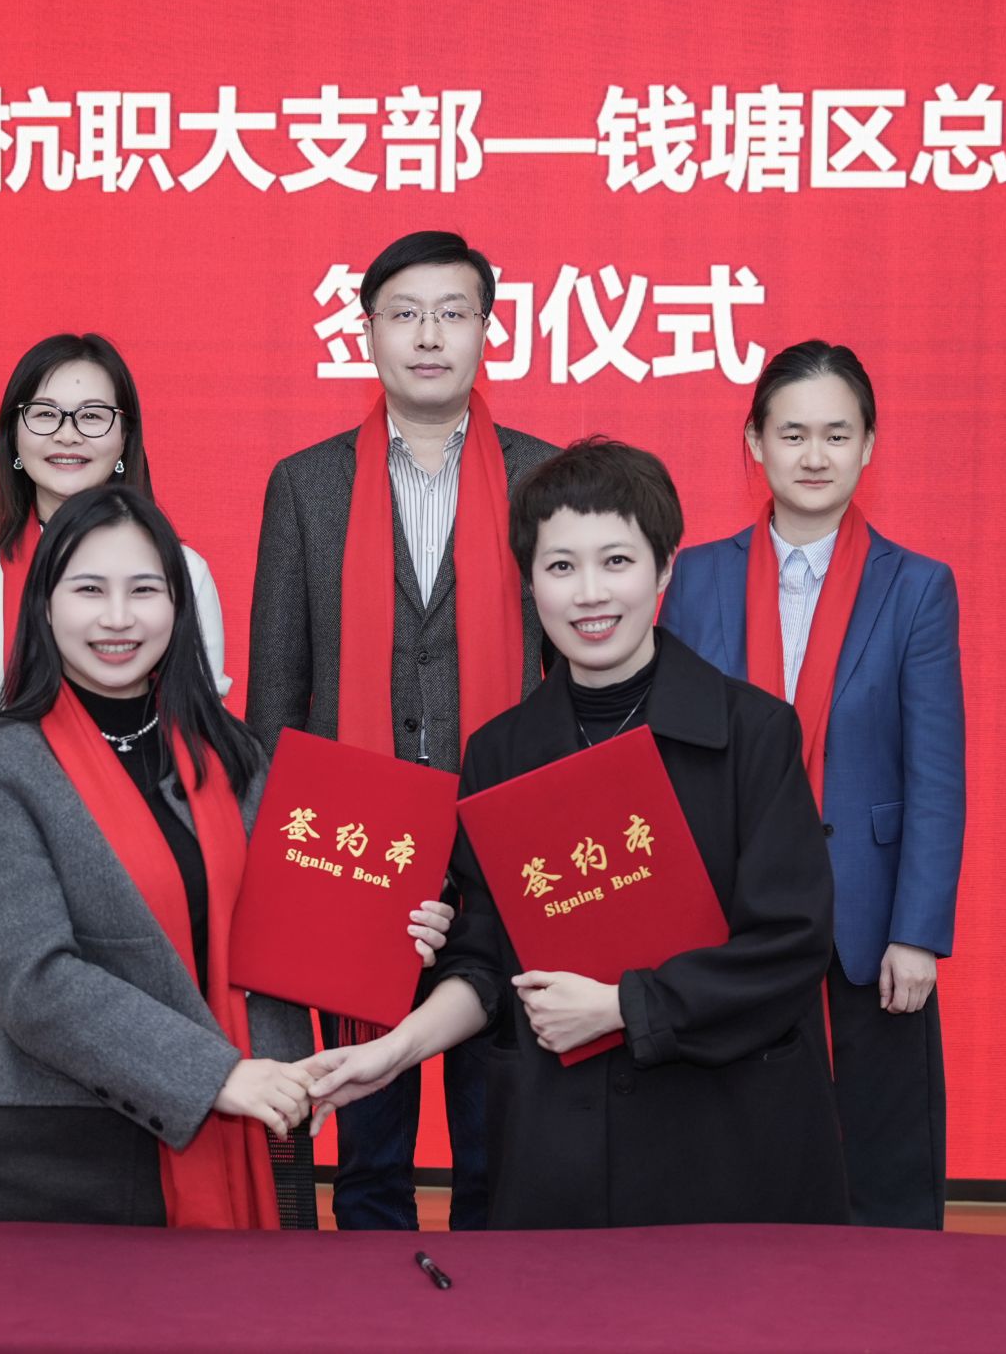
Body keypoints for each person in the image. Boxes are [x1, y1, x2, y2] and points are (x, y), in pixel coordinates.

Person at [306, 440, 851, 1229]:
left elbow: (790, 946)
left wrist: (625, 1005)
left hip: (729, 1148)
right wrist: (397, 1049)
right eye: (561, 566)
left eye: (617, 561)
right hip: (561, 1155)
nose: (590, 593)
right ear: (529, 583)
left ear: (664, 569)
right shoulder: (500, 752)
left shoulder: (754, 733)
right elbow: (484, 960)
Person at [0, 484, 450, 1228]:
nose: (118, 617)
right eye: (88, 589)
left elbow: (287, 930)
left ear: (179, 605)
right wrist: (216, 1075)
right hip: (67, 1147)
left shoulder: (234, 756)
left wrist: (393, 932)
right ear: (44, 604)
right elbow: (32, 983)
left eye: (145, 590)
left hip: (257, 1126)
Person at [246, 231, 556, 1230]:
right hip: (353, 853)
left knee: (499, 1133)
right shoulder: (306, 485)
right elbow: (276, 690)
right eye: (405, 314)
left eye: (452, 314)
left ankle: (490, 1302)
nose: (429, 336)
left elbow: (567, 679)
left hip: (502, 848)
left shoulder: (543, 479)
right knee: (365, 1135)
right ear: (368, 331)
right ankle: (366, 1300)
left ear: (487, 331)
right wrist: (275, 867)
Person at [658, 340, 964, 1229]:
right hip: (728, 907)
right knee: (732, 1152)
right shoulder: (695, 576)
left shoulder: (917, 587)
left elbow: (936, 774)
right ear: (754, 443)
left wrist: (917, 932)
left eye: (837, 433)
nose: (815, 455)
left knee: (881, 1162)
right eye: (792, 434)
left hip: (865, 919)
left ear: (869, 445)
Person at [0, 332, 232, 809]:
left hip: (155, 840)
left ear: (125, 438)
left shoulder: (183, 574)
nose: (67, 434)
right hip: (12, 840)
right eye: (45, 414)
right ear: (14, 437)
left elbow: (201, 738)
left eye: (92, 416)